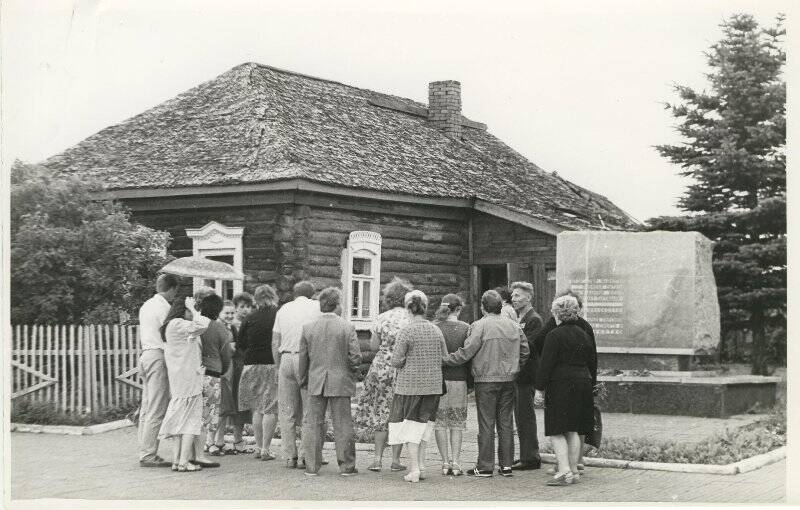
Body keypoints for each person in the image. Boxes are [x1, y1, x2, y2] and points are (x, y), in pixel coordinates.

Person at [443, 290, 529, 478]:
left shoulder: (479, 325)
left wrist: (446, 359)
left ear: (482, 307)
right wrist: (516, 367)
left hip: (486, 380)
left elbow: (467, 352)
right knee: (506, 422)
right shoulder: (514, 326)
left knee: (486, 422)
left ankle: (485, 466)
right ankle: (506, 465)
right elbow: (525, 351)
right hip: (508, 379)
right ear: (500, 306)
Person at [529, 289, 596, 474]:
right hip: (583, 382)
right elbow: (592, 361)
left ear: (557, 313)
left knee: (557, 430)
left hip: (561, 385)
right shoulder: (584, 333)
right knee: (573, 429)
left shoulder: (554, 335)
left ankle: (564, 470)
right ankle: (573, 469)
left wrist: (539, 389)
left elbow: (546, 365)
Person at [298, 287, 362, 477]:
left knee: (313, 424)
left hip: (316, 380)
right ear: (338, 304)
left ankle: (311, 466)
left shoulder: (308, 328)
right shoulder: (347, 327)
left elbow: (303, 358)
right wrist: (350, 373)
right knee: (343, 424)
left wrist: (303, 379)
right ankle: (347, 466)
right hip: (340, 380)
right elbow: (355, 357)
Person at [353, 277, 413, 473]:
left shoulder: (382, 317)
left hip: (381, 369)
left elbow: (374, 346)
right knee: (399, 414)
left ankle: (377, 459)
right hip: (403, 369)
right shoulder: (411, 318)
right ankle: (395, 460)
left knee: (380, 412)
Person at [387, 290, 448, 483]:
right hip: (433, 385)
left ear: (408, 309)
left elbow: (396, 361)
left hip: (410, 386)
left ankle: (414, 469)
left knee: (410, 428)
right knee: (424, 427)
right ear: (425, 307)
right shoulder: (435, 329)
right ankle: (421, 465)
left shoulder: (406, 330)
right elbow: (444, 357)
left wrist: (408, 360)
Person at [157, 296, 211, 472]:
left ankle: (177, 460)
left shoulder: (172, 326)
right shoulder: (178, 324)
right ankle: (183, 461)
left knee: (180, 420)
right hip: (189, 379)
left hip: (180, 378)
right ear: (184, 309)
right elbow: (203, 324)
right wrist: (194, 309)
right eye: (190, 309)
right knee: (190, 422)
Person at [273, 280, 322, 469]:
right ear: (312, 293)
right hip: (307, 359)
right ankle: (304, 455)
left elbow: (274, 341)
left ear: (294, 294)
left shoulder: (283, 309)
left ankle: (288, 456)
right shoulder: (317, 307)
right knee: (309, 410)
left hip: (286, 357)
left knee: (287, 410)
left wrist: (278, 367)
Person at [137, 273, 179, 468]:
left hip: (145, 354)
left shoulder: (146, 305)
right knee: (157, 406)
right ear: (171, 289)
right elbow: (169, 333)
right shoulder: (164, 308)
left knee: (147, 406)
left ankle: (144, 448)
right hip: (158, 355)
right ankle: (148, 454)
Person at [238, 285, 280, 461]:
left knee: (257, 407)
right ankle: (266, 449)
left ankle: (257, 447)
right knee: (270, 407)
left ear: (256, 299)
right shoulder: (278, 314)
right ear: (273, 296)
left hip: (251, 363)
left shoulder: (249, 317)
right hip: (271, 363)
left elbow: (240, 342)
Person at [432, 294, 470, 476]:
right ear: (459, 309)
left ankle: (444, 462)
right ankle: (456, 461)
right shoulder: (466, 328)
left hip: (438, 381)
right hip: (459, 380)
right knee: (457, 422)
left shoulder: (435, 328)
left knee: (440, 422)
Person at [509, 281, 544, 471]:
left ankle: (531, 457)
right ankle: (525, 454)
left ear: (528, 297)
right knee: (520, 416)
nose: (513, 299)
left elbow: (528, 346)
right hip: (518, 374)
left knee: (525, 416)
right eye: (513, 296)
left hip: (527, 375)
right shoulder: (518, 316)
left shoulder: (534, 319)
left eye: (517, 296)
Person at [195, 292, 231, 466]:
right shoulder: (219, 328)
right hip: (212, 372)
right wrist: (224, 369)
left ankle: (189, 450)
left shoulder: (194, 323)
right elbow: (226, 354)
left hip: (194, 372)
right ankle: (201, 451)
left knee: (194, 412)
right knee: (207, 415)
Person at [212, 300, 241, 455]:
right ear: (219, 313)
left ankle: (220, 440)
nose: (230, 316)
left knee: (225, 406)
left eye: (232, 313)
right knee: (219, 406)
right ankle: (213, 441)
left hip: (230, 369)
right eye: (226, 313)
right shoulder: (217, 328)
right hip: (221, 369)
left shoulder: (232, 329)